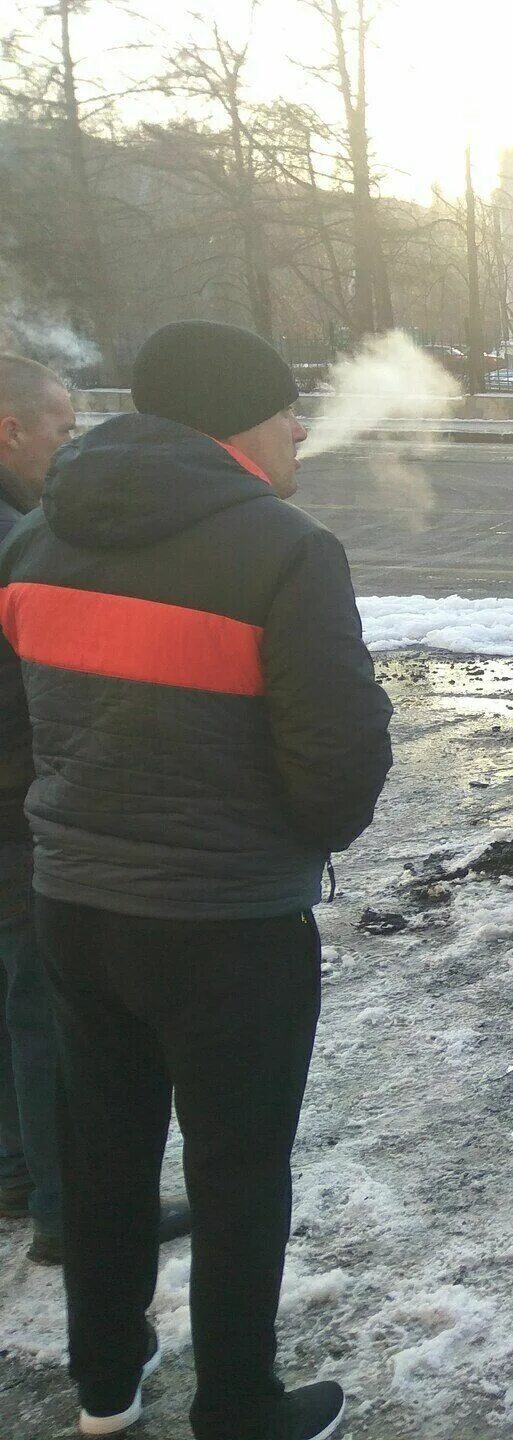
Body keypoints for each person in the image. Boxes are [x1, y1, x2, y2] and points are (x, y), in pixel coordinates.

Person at [0, 321, 393, 1440]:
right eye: (286, 410)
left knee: (103, 1151)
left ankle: (105, 1388)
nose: (302, 428)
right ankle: (235, 1403)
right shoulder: (284, 550)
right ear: (237, 423)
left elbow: (11, 734)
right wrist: (284, 833)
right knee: (236, 1167)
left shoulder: (36, 539)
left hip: (73, 909)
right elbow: (337, 770)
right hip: (227, 925)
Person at [0, 354, 195, 1273]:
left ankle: (19, 1169)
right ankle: (68, 1212)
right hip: (17, 809)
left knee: (15, 995)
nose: (68, 446)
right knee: (44, 1004)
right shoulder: (19, 534)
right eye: (63, 430)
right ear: (12, 430)